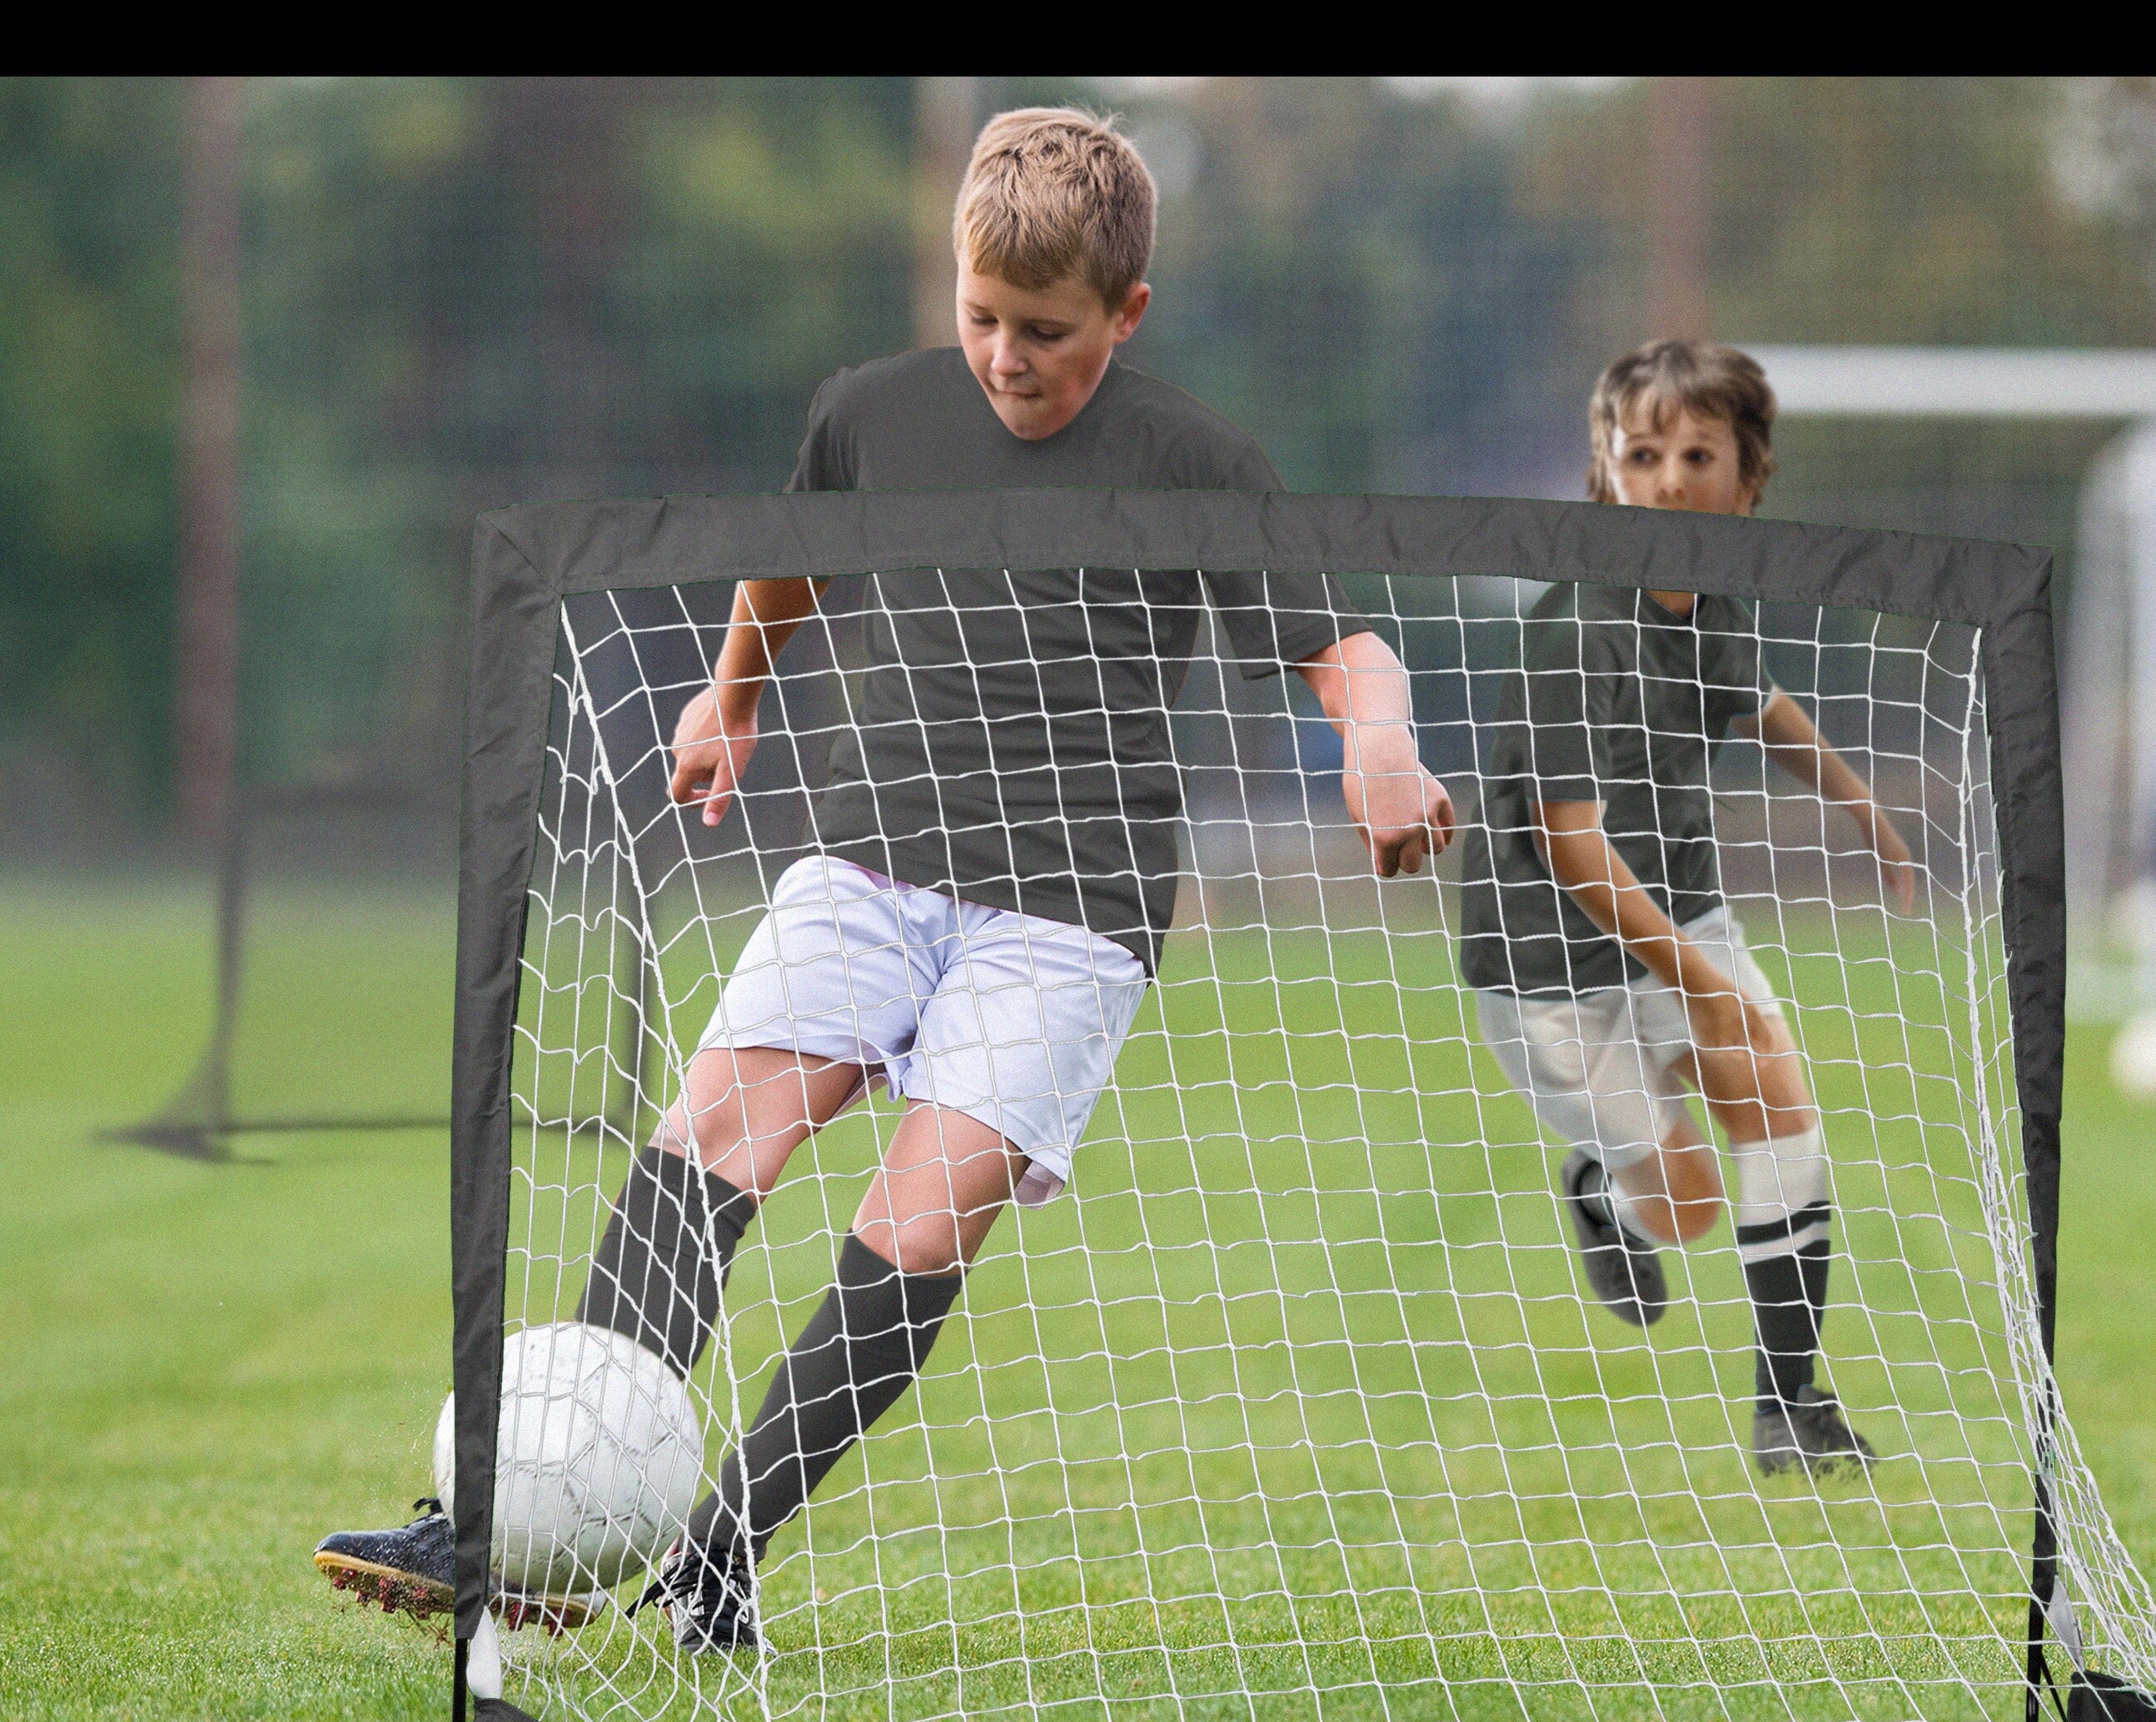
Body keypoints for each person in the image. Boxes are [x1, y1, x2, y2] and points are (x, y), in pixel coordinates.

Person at [316, 107, 1455, 1643]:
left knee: (919, 1227)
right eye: (980, 316)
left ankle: (718, 1557)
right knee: (713, 1133)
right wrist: (734, 692)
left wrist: (1377, 749)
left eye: (1047, 332)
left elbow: (1346, 648)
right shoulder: (871, 412)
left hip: (1069, 918)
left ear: (1128, 314)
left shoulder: (1198, 462)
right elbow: (792, 559)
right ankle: (515, 1524)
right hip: (869, 864)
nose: (1006, 356)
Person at [1456, 341, 1918, 1477]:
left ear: (1750, 481)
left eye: (1698, 453)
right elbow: (1571, 849)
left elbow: (1757, 705)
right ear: (1603, 474)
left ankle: (1791, 1408)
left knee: (1778, 1100)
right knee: (1688, 1207)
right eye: (1642, 453)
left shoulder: (1707, 603)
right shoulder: (1576, 631)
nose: (1668, 479)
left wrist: (1860, 802)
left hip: (1680, 906)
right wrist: (1700, 983)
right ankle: (1604, 1191)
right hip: (1550, 954)